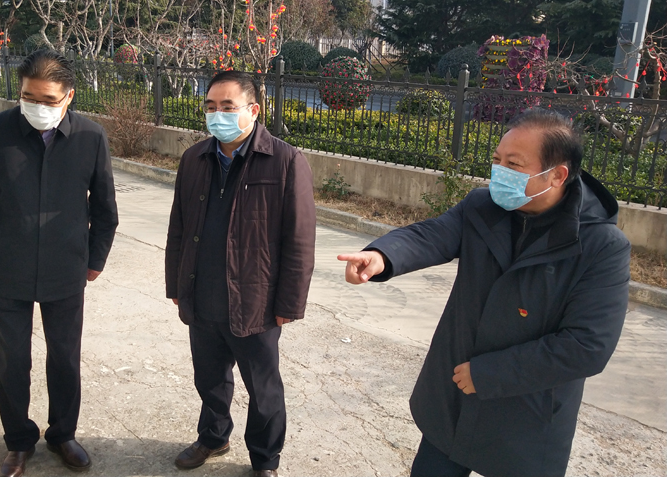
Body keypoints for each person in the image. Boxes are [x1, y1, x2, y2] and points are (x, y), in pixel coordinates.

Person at [338, 109, 630, 477]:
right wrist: (382, 256)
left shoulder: (602, 246)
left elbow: (587, 346)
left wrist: (489, 374)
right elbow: (432, 235)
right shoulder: (483, 206)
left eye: (514, 164)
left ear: (557, 175)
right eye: (497, 160)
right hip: (454, 404)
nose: (500, 172)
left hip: (526, 420)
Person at [0, 49, 118, 477]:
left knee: (64, 357)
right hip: (8, 266)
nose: (37, 107)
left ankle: (63, 434)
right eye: (29, 97)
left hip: (67, 268)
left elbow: (105, 208)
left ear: (69, 97)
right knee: (13, 361)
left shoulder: (90, 137)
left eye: (48, 100)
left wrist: (95, 257)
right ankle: (18, 442)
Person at [165, 71, 316, 477]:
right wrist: (176, 283)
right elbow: (179, 227)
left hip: (255, 300)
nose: (218, 115)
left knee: (263, 390)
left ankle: (265, 460)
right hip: (202, 291)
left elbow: (300, 240)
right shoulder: (194, 159)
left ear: (253, 110)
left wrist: (289, 303)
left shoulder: (285, 161)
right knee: (209, 378)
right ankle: (213, 436)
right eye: (211, 107)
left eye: (228, 107)